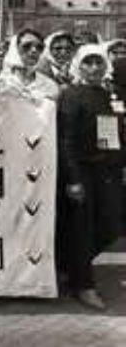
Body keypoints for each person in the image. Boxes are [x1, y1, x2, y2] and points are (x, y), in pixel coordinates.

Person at [56, 44, 124, 310]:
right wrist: (72, 179)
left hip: (107, 170)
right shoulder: (71, 95)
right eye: (88, 63)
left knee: (110, 225)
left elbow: (115, 134)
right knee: (82, 229)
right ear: (79, 66)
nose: (94, 68)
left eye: (99, 63)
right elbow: (66, 141)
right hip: (82, 170)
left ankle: (70, 267)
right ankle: (83, 284)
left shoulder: (107, 94)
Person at [0, 29, 59, 101]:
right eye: (26, 46)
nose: (34, 50)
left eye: (39, 47)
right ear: (14, 49)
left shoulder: (49, 86)